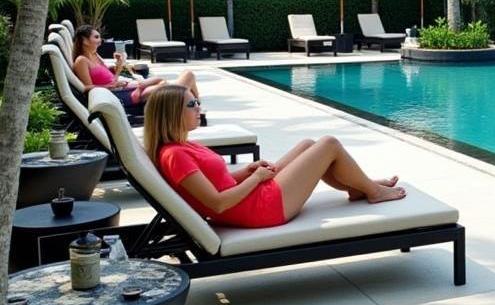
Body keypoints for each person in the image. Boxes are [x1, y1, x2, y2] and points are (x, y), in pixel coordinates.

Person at [144, 84, 404, 228]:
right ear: (171, 113)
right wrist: (256, 178)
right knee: (328, 144)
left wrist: (246, 172)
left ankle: (358, 188)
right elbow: (218, 203)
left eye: (197, 101)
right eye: (192, 104)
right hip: (261, 209)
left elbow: (216, 181)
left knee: (308, 144)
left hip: (251, 196)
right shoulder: (175, 155)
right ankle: (373, 191)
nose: (199, 108)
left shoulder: (182, 146)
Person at [72, 24, 199, 105]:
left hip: (125, 88)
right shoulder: (81, 61)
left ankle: (193, 104)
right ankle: (193, 105)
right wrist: (113, 82)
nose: (100, 40)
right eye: (96, 37)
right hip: (123, 95)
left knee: (180, 79)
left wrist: (119, 64)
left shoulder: (94, 55)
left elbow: (109, 76)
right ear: (84, 40)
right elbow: (86, 88)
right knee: (185, 78)